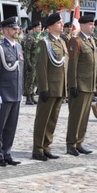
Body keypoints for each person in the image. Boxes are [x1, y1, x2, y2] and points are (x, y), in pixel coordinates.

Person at [31, 13, 68, 161]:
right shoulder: (44, 43)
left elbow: (65, 66)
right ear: (51, 25)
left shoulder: (62, 42)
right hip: (49, 87)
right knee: (43, 119)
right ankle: (37, 148)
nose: (62, 24)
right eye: (59, 23)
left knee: (52, 119)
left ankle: (46, 146)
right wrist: (43, 88)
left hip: (59, 87)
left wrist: (66, 87)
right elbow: (41, 67)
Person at [0, 17, 24, 167]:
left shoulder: (18, 47)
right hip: (3, 94)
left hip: (15, 93)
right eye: (14, 28)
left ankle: (7, 152)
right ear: (6, 30)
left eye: (17, 28)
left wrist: (21, 92)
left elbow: (20, 71)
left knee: (11, 126)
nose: (17, 31)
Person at [65, 14, 97, 156]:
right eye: (90, 24)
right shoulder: (76, 41)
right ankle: (71, 144)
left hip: (89, 85)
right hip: (79, 85)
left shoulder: (92, 41)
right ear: (82, 25)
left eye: (93, 24)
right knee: (76, 116)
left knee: (84, 117)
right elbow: (72, 65)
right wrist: (72, 85)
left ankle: (79, 142)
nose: (93, 27)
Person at [23, 21, 42, 105]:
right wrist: (28, 63)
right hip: (31, 62)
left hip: (37, 62)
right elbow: (27, 51)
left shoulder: (39, 37)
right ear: (34, 28)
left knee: (35, 81)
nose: (40, 29)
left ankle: (32, 96)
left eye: (40, 27)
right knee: (29, 80)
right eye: (38, 27)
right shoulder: (30, 38)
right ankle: (28, 97)